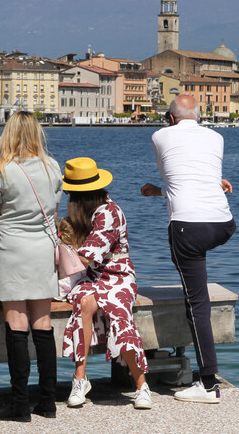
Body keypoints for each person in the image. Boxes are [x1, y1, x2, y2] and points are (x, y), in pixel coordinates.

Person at [141, 94, 236, 404]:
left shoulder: (159, 135)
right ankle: (205, 375)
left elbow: (175, 177)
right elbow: (190, 178)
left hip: (188, 227)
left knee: (197, 303)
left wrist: (155, 190)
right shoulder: (217, 137)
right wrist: (159, 191)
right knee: (198, 292)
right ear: (200, 116)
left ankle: (207, 384)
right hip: (223, 224)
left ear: (170, 118)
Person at [0, 111, 62, 422]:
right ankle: (48, 402)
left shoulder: (0, 170)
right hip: (43, 248)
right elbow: (53, 213)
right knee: (43, 325)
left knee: (16, 325)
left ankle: (19, 405)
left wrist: (1, 247)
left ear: (9, 133)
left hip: (13, 249)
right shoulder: (52, 167)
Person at [61, 157, 152, 410]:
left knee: (119, 312)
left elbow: (85, 256)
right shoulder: (91, 212)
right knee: (83, 302)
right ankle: (80, 379)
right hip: (93, 276)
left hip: (119, 275)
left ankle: (141, 385)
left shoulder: (108, 213)